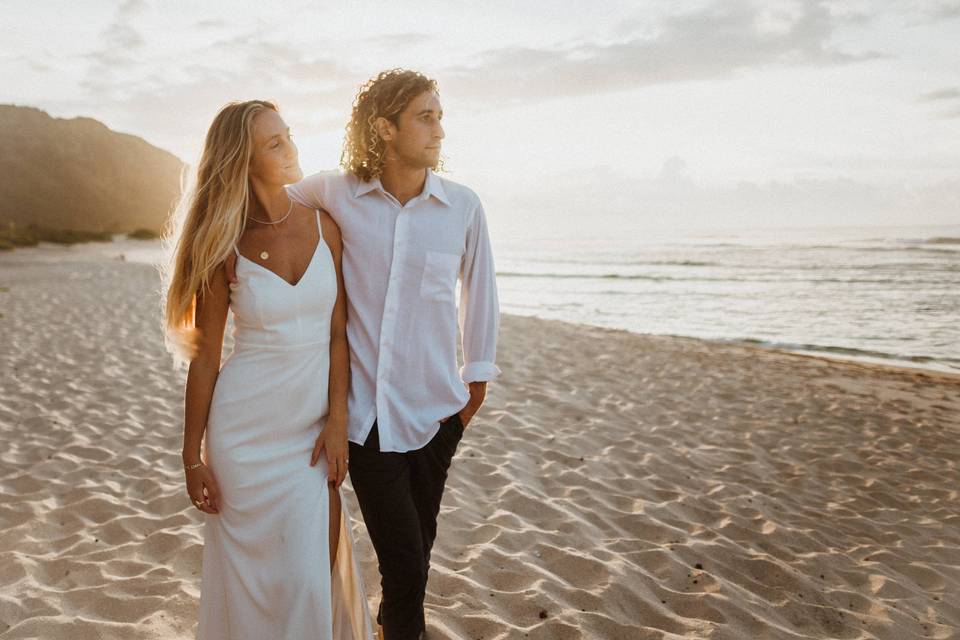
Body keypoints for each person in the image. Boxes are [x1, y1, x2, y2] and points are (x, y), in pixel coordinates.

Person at [226, 69, 501, 640]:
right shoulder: (332, 192)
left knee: (416, 557)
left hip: (438, 416)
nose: (438, 129)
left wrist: (475, 385)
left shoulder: (462, 207)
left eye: (439, 115)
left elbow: (481, 293)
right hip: (365, 421)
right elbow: (266, 204)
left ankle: (389, 627)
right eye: (425, 117)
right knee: (404, 561)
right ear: (384, 127)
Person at [162, 99, 375, 639]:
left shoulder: (326, 227)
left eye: (289, 135)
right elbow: (206, 358)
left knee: (308, 578)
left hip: (309, 433)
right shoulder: (225, 246)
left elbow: (337, 335)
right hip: (243, 434)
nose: (291, 148)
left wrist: (337, 423)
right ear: (243, 161)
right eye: (274, 143)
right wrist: (192, 456)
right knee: (251, 586)